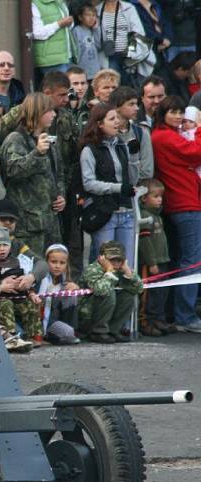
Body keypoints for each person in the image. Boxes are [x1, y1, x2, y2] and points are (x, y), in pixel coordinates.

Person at [151, 94, 201, 333]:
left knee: (185, 260)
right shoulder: (165, 137)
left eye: (181, 112)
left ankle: (180, 313)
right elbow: (196, 152)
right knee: (191, 262)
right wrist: (200, 128)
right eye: (174, 112)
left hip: (184, 203)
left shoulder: (167, 135)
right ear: (163, 113)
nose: (179, 116)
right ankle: (185, 316)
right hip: (185, 204)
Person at [0, 92, 65, 257]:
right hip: (27, 224)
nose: (54, 115)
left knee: (53, 271)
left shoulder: (49, 139)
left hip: (50, 220)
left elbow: (59, 174)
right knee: (29, 270)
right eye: (49, 111)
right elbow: (13, 170)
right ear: (37, 112)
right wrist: (36, 153)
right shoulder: (15, 139)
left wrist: (61, 195)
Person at [79, 102, 139, 267]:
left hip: (126, 212)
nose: (117, 122)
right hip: (105, 213)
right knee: (107, 266)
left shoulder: (121, 145)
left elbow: (132, 180)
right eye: (111, 119)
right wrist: (118, 188)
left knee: (127, 266)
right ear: (99, 124)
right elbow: (89, 183)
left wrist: (134, 157)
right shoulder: (89, 150)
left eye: (117, 118)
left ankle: (126, 293)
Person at [0, 226, 44, 348]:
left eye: (5, 245)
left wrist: (31, 292)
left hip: (18, 297)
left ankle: (34, 335)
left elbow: (23, 278)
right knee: (6, 304)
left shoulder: (16, 261)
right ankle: (10, 337)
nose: (2, 249)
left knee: (31, 305)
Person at [78, 240, 143, 343]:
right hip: (87, 316)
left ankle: (113, 330)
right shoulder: (93, 270)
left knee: (129, 295)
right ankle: (98, 332)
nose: (116, 263)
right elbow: (100, 290)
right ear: (102, 258)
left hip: (104, 311)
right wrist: (109, 271)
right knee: (108, 293)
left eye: (119, 260)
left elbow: (138, 289)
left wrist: (129, 273)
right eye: (112, 259)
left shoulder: (121, 269)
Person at [137, 178, 174, 337]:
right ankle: (147, 322)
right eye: (155, 196)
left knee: (162, 292)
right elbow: (145, 242)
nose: (159, 199)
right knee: (150, 294)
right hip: (153, 263)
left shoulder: (158, 216)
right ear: (144, 198)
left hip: (162, 260)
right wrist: (151, 262)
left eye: (160, 196)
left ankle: (159, 318)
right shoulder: (146, 216)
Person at [97, 0, 151, 86]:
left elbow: (138, 32)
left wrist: (130, 52)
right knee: (113, 84)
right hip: (109, 55)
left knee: (128, 84)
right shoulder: (97, 10)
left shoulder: (128, 8)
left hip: (128, 55)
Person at [36, 243, 81, 345]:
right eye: (53, 262)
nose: (57, 266)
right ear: (46, 261)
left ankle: (71, 330)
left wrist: (76, 289)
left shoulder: (65, 280)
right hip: (44, 321)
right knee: (67, 333)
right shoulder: (42, 280)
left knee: (72, 296)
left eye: (62, 263)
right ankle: (48, 335)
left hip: (57, 319)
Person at [110, 85, 153, 183]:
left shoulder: (141, 132)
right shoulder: (106, 133)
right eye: (131, 104)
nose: (137, 108)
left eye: (137, 104)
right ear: (117, 107)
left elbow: (147, 171)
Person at [31, 0, 73, 87]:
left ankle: (71, 100)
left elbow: (67, 27)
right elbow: (37, 33)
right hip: (51, 59)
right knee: (61, 88)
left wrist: (69, 23)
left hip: (66, 56)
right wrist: (59, 24)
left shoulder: (60, 2)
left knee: (68, 87)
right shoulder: (35, 4)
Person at [72, 0, 103, 82]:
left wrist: (96, 29)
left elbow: (99, 46)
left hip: (95, 71)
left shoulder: (93, 30)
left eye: (94, 15)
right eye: (88, 15)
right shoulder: (77, 30)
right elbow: (76, 53)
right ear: (80, 17)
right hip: (82, 70)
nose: (91, 18)